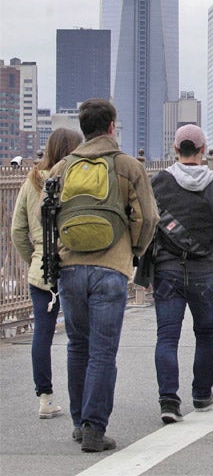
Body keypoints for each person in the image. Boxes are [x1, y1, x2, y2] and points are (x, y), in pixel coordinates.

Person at [55, 98, 159, 452]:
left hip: (69, 267)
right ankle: (94, 428)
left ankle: (77, 421)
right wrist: (133, 251)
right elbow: (148, 217)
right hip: (110, 269)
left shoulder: (61, 168)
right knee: (102, 352)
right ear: (113, 126)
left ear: (83, 127)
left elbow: (45, 215)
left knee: (76, 346)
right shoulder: (128, 166)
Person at [149, 125, 213, 424]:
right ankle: (202, 394)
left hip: (166, 267)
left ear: (176, 150)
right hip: (204, 268)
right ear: (203, 150)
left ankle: (169, 400)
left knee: (167, 335)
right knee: (205, 333)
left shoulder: (159, 183)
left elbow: (145, 223)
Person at [11, 127, 83, 420]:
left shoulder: (32, 181)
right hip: (72, 265)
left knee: (42, 333)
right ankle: (84, 395)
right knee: (79, 335)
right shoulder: (75, 179)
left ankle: (45, 397)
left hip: (41, 269)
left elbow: (18, 230)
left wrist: (35, 259)